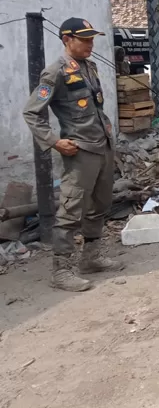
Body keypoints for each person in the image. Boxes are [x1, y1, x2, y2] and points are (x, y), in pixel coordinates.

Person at [23, 17, 124, 292]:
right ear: (67, 39)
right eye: (85, 39)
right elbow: (32, 112)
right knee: (70, 211)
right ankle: (61, 271)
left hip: (101, 146)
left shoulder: (89, 67)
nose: (91, 44)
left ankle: (91, 258)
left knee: (100, 205)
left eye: (92, 39)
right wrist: (54, 142)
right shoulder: (54, 72)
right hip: (79, 150)